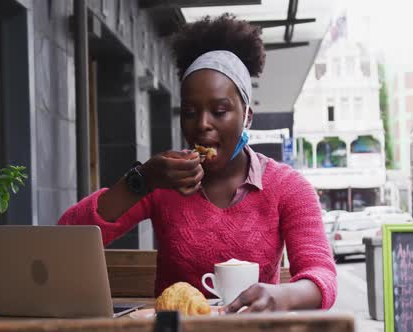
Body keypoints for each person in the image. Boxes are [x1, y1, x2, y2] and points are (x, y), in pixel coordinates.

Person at [58, 14, 337, 313]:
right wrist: (142, 181)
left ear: (247, 117)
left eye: (219, 110)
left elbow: (322, 275)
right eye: (190, 112)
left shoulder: (286, 187)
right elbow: (66, 239)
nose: (202, 124)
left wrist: (283, 296)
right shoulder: (162, 180)